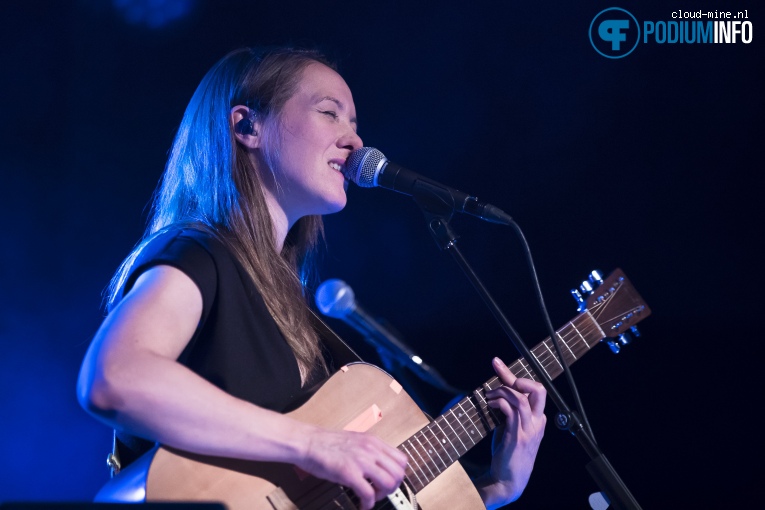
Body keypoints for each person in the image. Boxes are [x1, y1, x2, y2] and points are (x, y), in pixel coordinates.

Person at [77, 46, 547, 510]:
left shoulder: (292, 314)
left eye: (355, 125)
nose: (356, 142)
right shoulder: (202, 254)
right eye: (330, 113)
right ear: (247, 126)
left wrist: (494, 490)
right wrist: (312, 444)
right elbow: (115, 378)